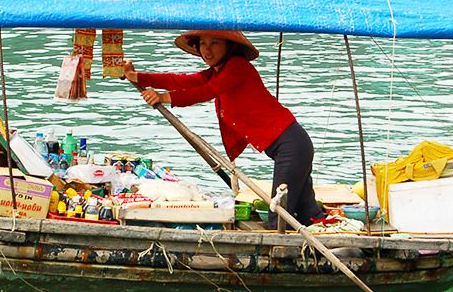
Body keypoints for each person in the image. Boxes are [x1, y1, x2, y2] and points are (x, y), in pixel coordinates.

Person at [123, 30, 324, 229]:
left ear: (229, 46)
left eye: (215, 44)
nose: (207, 50)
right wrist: (138, 77)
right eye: (203, 44)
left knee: (279, 216)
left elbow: (206, 92)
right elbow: (181, 80)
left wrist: (163, 97)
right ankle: (332, 242)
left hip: (292, 146)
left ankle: (291, 255)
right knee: (309, 213)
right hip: (292, 147)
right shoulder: (216, 72)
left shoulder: (237, 67)